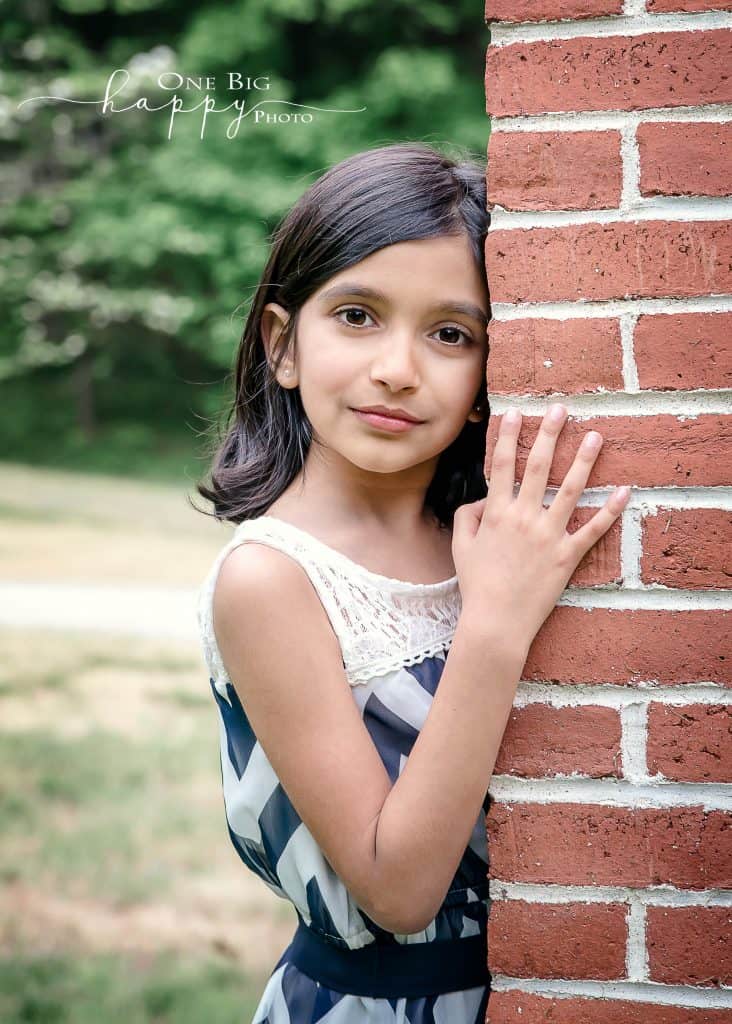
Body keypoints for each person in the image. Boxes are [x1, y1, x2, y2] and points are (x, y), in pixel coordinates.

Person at [193, 141, 630, 1023]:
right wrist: (495, 625)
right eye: (357, 315)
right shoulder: (271, 579)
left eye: (449, 334)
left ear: (484, 380)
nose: (398, 367)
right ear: (283, 344)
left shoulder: (486, 540)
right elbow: (398, 889)